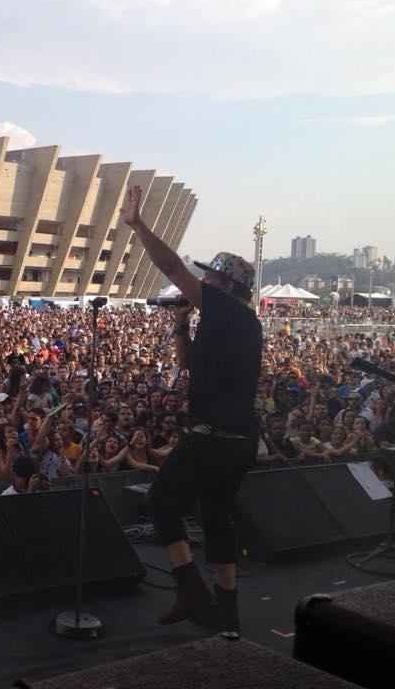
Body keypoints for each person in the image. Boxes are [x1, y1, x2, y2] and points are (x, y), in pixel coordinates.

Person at [124, 184, 262, 640]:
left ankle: (189, 591)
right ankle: (229, 612)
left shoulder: (228, 310)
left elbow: (171, 265)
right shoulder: (235, 323)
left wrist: (138, 224)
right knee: (216, 515)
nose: (202, 282)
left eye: (211, 278)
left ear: (226, 286)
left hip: (214, 434)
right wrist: (182, 324)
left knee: (163, 501)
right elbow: (187, 366)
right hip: (239, 438)